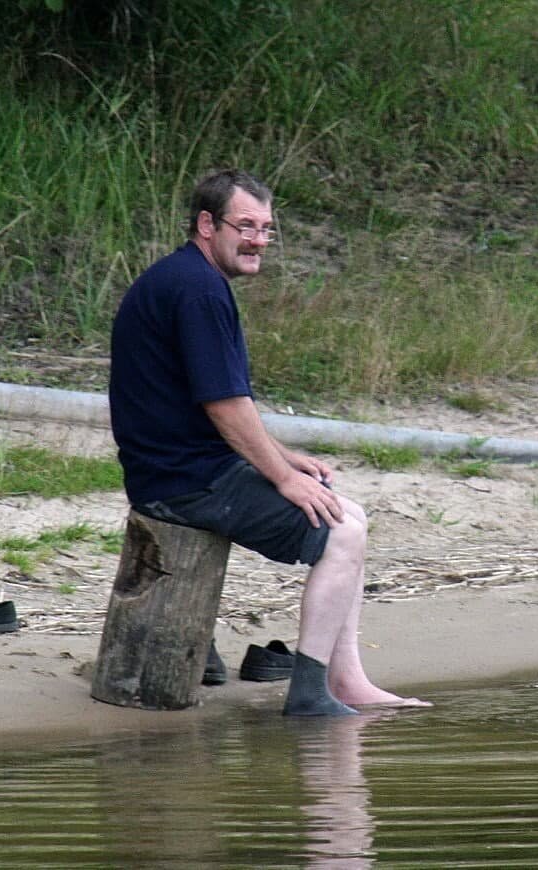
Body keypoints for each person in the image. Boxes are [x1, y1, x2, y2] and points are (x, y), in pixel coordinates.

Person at [109, 168, 428, 716]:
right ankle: (308, 696)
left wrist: (284, 457)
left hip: (186, 467)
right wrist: (282, 478)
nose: (258, 240)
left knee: (346, 513)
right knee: (341, 531)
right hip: (180, 483)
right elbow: (224, 406)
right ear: (207, 225)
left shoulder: (190, 279)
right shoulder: (198, 290)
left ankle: (345, 682)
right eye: (245, 226)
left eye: (267, 229)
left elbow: (217, 403)